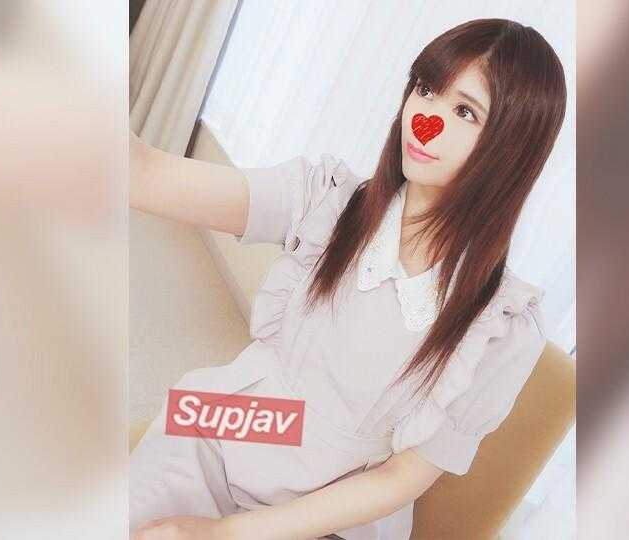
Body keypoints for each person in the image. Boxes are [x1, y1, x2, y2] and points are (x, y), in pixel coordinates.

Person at [129, 18, 566, 540]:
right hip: (225, 428)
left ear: (513, 148)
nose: (426, 119)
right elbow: (145, 175)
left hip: (335, 513)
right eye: (427, 89)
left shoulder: (502, 324)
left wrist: (225, 534)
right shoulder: (327, 201)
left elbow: (402, 479)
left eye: (465, 111)